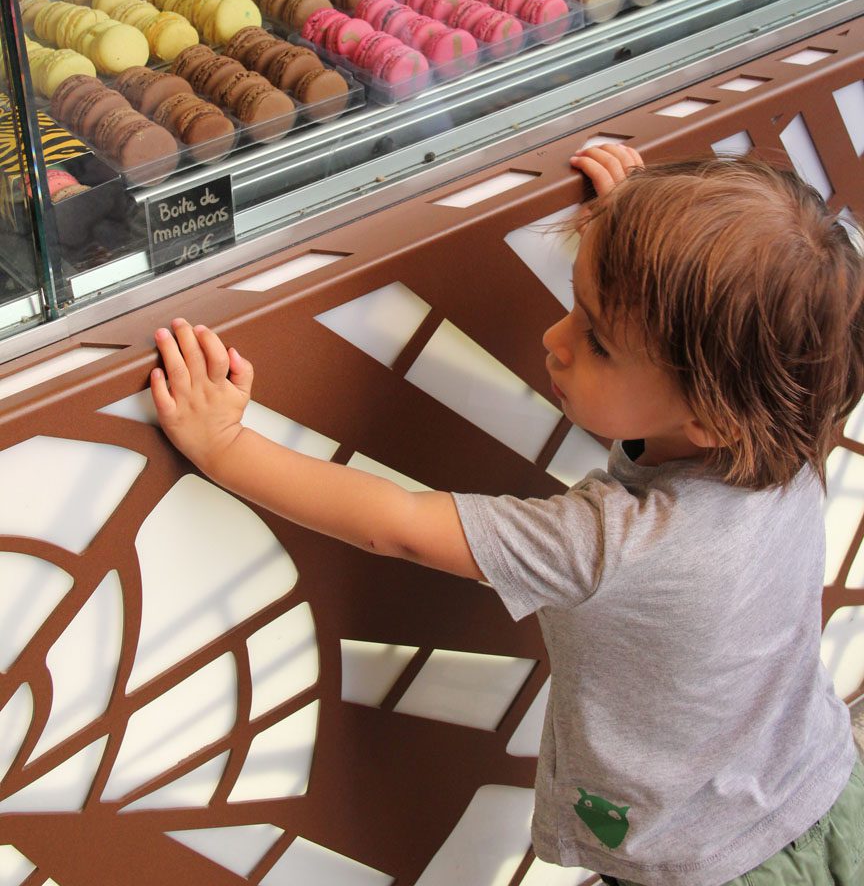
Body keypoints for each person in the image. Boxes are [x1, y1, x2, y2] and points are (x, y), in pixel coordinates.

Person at [151, 143, 864, 886]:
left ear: (713, 416)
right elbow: (702, 353)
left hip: (702, 864)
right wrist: (637, 233)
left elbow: (395, 524)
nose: (554, 341)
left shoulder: (607, 543)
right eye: (575, 303)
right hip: (820, 783)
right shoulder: (790, 439)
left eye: (597, 341)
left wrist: (227, 445)